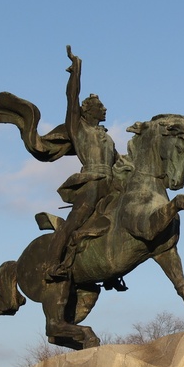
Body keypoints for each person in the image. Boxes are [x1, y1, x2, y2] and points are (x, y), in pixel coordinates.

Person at [46, 45, 120, 283]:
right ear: (88, 111)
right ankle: (52, 264)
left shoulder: (107, 137)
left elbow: (119, 162)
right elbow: (72, 98)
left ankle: (113, 269)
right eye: (100, 106)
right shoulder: (78, 128)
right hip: (92, 182)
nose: (105, 108)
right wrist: (76, 70)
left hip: (112, 184)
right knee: (75, 221)